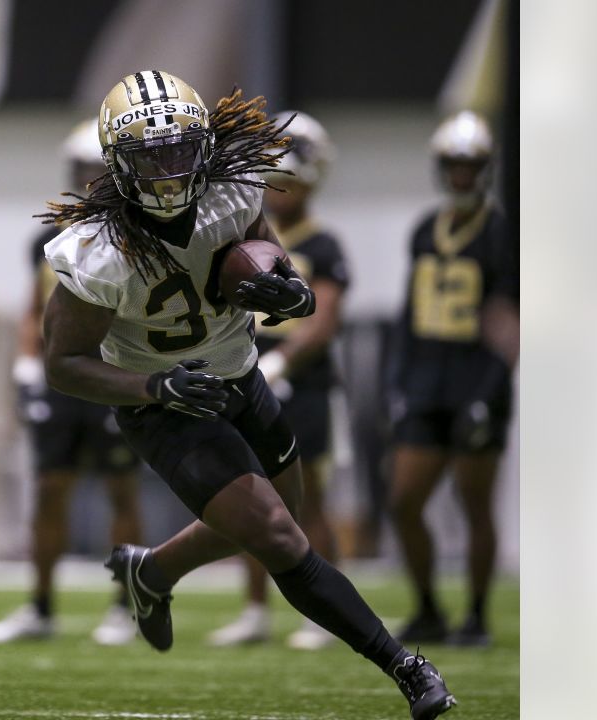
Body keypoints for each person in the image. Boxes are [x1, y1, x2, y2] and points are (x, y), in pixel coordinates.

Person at [39, 71, 455, 719]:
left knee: (280, 518)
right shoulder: (97, 251)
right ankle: (405, 667)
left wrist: (291, 291)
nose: (170, 169)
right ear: (117, 162)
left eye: (180, 149)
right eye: (150, 156)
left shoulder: (231, 192)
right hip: (165, 406)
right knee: (283, 539)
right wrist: (156, 383)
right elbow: (63, 364)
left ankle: (151, 573)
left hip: (242, 376)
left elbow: (269, 255)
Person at [0, 120, 142, 646]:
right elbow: (35, 310)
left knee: (121, 491)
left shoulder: (139, 237)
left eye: (94, 169)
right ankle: (41, 606)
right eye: (79, 170)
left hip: (113, 374)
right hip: (63, 378)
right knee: (50, 491)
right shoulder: (51, 238)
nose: (85, 180)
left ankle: (126, 606)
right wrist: (26, 367)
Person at [206, 111, 350, 651]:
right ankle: (255, 608)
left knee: (309, 495)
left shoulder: (323, 244)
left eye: (290, 177)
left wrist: (284, 362)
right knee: (252, 494)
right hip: (247, 373)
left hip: (305, 383)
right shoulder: (244, 234)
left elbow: (324, 320)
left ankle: (323, 611)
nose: (279, 186)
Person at [388, 110, 518, 647]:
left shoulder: (500, 232)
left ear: (484, 168)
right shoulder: (424, 228)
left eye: (471, 166)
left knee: (474, 504)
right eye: (454, 165)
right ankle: (427, 611)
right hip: (426, 384)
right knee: (403, 501)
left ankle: (478, 616)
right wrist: (399, 380)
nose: (462, 175)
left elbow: (511, 320)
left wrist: (488, 392)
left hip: (475, 382)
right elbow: (409, 311)